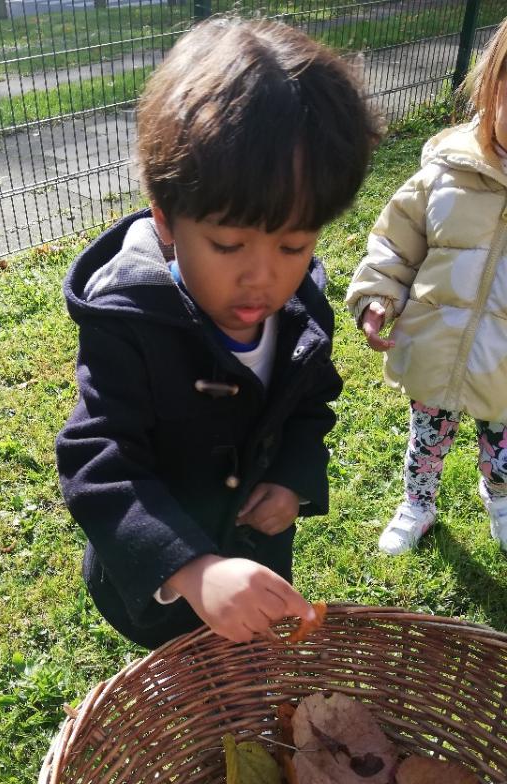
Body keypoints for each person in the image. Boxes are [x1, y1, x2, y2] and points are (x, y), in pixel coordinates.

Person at [56, 17, 379, 648]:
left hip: (255, 554)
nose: (263, 278)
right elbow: (98, 459)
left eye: (294, 245)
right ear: (166, 221)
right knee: (183, 670)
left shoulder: (301, 307)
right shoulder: (130, 321)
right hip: (165, 579)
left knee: (246, 668)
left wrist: (293, 479)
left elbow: (311, 403)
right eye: (229, 245)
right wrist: (192, 569)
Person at [346, 18, 507, 557]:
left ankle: (500, 497)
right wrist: (377, 296)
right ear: (491, 88)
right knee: (428, 436)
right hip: (438, 342)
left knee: (505, 448)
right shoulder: (445, 173)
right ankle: (418, 503)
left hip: (504, 361)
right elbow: (396, 243)